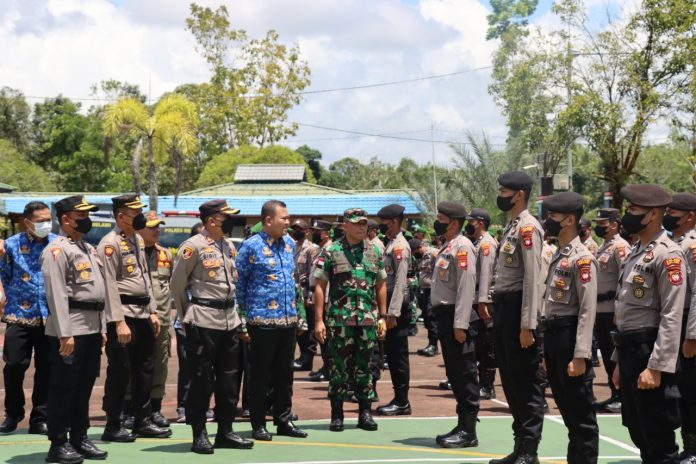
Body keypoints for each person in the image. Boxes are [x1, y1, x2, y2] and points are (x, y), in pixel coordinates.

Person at [171, 199, 253, 454]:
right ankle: (199, 434)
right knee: (201, 380)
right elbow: (177, 286)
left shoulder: (228, 245)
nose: (230, 221)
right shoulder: (192, 246)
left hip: (229, 319)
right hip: (203, 319)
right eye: (226, 217)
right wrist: (187, 317)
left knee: (229, 379)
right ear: (211, 220)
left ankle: (225, 431)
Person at [613, 184, 685, 463]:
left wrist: (656, 367)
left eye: (633, 209)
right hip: (629, 351)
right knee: (638, 430)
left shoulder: (668, 254)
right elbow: (624, 312)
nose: (627, 215)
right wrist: (618, 360)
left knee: (658, 436)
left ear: (653, 213)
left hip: (649, 351)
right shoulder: (636, 251)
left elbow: (671, 314)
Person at [41, 195, 107, 463]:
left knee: (83, 388)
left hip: (91, 329)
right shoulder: (57, 250)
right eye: (82, 215)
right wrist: (64, 333)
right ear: (66, 220)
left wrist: (102, 328)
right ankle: (58, 444)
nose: (87, 219)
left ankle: (80, 437)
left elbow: (98, 294)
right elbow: (56, 295)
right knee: (62, 388)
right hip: (70, 331)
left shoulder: (87, 248)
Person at [99, 195, 170, 442]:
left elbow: (144, 277)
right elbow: (108, 285)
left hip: (142, 314)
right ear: (121, 216)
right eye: (135, 213)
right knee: (120, 372)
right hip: (124, 315)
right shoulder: (110, 243)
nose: (140, 216)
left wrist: (152, 310)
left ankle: (143, 421)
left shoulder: (137, 239)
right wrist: (118, 321)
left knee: (145, 370)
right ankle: (113, 424)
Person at [236, 200, 308, 441]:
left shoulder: (289, 244)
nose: (288, 222)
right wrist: (242, 321)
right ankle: (258, 422)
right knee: (260, 376)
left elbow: (294, 282)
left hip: (287, 320)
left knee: (284, 375)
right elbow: (239, 285)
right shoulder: (251, 246)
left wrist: (300, 315)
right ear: (268, 220)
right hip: (261, 322)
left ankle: (283, 419)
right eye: (283, 218)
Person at [313, 208, 388, 432]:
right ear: (345, 225)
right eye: (356, 223)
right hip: (339, 321)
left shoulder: (375, 251)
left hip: (367, 321)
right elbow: (320, 286)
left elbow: (381, 284)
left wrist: (382, 316)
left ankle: (365, 414)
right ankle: (337, 415)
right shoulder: (331, 251)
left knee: (366, 368)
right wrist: (319, 320)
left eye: (364, 223)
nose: (361, 227)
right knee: (338, 369)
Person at [490, 171, 545, 464]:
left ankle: (529, 451)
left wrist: (528, 325)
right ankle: (519, 446)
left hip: (517, 310)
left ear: (519, 194)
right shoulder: (512, 226)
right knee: (510, 380)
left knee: (525, 382)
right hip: (504, 307)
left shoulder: (528, 228)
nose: (500, 196)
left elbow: (532, 279)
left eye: (504, 192)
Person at [540, 192, 599, 464]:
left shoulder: (582, 258)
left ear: (570, 220)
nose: (548, 220)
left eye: (553, 216)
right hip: (555, 336)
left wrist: (581, 355)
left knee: (581, 415)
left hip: (570, 338)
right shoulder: (559, 254)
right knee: (568, 413)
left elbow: (587, 310)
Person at [0, 201, 55, 434]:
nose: (46, 224)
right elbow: (2, 275)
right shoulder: (11, 245)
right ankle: (13, 414)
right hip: (19, 316)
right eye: (41, 221)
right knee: (13, 366)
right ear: (27, 222)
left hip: (50, 317)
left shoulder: (58, 245)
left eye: (48, 220)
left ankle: (40, 418)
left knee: (47, 369)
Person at [430, 201, 480, 448]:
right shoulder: (449, 246)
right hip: (445, 316)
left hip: (456, 318)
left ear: (453, 223)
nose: (437, 222)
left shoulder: (463, 247)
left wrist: (460, 323)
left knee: (464, 373)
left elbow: (466, 287)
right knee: (454, 373)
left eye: (441, 219)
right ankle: (462, 425)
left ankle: (469, 431)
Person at [662, 192, 696, 462]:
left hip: (688, 322)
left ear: (689, 217)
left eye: (673, 213)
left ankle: (693, 450)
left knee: (691, 391)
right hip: (675, 321)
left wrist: (692, 335)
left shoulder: (692, 245)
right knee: (680, 391)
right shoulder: (674, 243)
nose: (667, 216)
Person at [135, 211, 173, 428]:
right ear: (140, 229)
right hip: (138, 318)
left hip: (162, 319)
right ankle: (131, 408)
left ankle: (155, 408)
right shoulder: (132, 252)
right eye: (152, 227)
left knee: (160, 363)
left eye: (159, 226)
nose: (157, 230)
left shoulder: (165, 254)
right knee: (135, 364)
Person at [375, 204, 413, 416]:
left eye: (384, 222)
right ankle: (399, 399)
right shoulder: (390, 243)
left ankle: (402, 401)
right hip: (389, 303)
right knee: (392, 353)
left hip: (395, 305)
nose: (381, 225)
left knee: (398, 356)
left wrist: (393, 313)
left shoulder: (400, 247)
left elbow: (400, 282)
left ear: (394, 222)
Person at [590, 208, 629, 413]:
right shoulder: (604, 246)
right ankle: (615, 394)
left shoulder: (620, 247)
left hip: (612, 310)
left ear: (614, 224)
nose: (598, 226)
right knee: (606, 353)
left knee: (614, 355)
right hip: (601, 310)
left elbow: (625, 279)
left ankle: (622, 397)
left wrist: (618, 310)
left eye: (602, 223)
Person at [173, 221, 204, 424]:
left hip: (207, 322)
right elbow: (177, 287)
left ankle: (201, 407)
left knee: (204, 368)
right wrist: (185, 315)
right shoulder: (188, 252)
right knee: (187, 367)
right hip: (187, 321)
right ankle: (183, 407)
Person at [467, 208, 499, 400]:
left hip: (484, 299)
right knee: (478, 343)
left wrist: (483, 302)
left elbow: (486, 274)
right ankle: (480, 382)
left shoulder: (487, 244)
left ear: (480, 223)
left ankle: (487, 385)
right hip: (477, 297)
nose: (468, 225)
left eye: (471, 221)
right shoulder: (478, 242)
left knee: (487, 345)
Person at [291, 219, 320, 372]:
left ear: (307, 231)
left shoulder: (311, 249)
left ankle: (307, 359)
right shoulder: (292, 247)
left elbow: (313, 274)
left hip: (305, 292)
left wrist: (311, 295)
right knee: (299, 327)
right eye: (294, 229)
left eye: (300, 229)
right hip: (295, 294)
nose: (296, 232)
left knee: (308, 329)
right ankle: (302, 357)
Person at [307, 219, 334, 382]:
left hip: (326, 298)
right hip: (318, 296)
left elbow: (325, 280)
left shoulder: (330, 249)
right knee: (321, 336)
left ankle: (329, 369)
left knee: (325, 336)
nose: (315, 234)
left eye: (318, 232)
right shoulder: (320, 250)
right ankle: (326, 366)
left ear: (327, 234)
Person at [413, 238, 439, 357]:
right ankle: (431, 344)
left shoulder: (434, 253)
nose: (414, 254)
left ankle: (433, 345)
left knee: (431, 316)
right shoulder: (420, 257)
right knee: (427, 318)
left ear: (419, 247)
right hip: (424, 290)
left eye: (414, 251)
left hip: (433, 289)